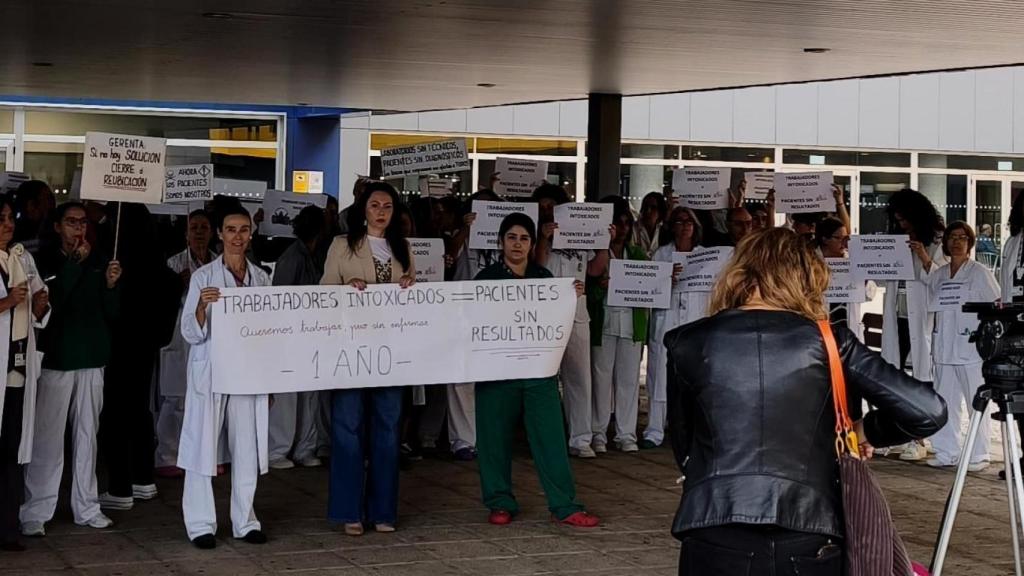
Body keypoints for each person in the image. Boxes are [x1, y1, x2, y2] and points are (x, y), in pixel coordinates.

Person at [664, 227, 948, 576]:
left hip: (713, 524)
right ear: (807, 277)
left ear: (740, 272)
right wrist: (862, 431)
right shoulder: (829, 341)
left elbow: (684, 445)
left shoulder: (686, 342)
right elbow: (928, 412)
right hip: (809, 527)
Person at [474, 212, 599, 528]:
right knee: (493, 440)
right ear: (501, 242)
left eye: (524, 238)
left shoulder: (546, 280)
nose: (517, 244)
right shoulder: (484, 281)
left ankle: (565, 505)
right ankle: (499, 501)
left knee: (550, 439)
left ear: (532, 244)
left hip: (538, 374)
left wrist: (571, 297)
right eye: (512, 237)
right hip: (496, 374)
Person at [21, 202, 121, 536]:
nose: (78, 229)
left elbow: (112, 313)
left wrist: (110, 286)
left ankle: (87, 506)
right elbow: (52, 300)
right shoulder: (42, 259)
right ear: (57, 226)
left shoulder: (101, 257)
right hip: (57, 358)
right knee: (48, 439)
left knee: (87, 437)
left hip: (92, 357)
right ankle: (36, 510)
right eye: (71, 222)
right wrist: (76, 265)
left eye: (82, 222)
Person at [321, 181, 415, 536]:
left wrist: (408, 285)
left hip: (390, 351)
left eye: (387, 206)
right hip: (349, 349)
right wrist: (347, 290)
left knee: (389, 430)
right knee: (347, 429)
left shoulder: (402, 247)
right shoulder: (342, 245)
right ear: (363, 209)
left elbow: (413, 297)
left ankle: (383, 510)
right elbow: (324, 292)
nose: (380, 211)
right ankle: (349, 510)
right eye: (375, 205)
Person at [179, 206, 271, 549]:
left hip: (247, 374)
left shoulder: (261, 278)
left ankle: (245, 521)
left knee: (246, 447)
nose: (237, 236)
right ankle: (201, 523)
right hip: (212, 372)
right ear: (220, 233)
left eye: (243, 229)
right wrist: (202, 308)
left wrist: (269, 381)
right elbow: (189, 331)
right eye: (231, 230)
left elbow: (269, 333)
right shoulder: (204, 277)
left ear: (251, 233)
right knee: (202, 446)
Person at [98, 204, 182, 511]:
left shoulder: (119, 268)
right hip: (147, 349)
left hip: (118, 348)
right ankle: (144, 479)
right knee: (139, 411)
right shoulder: (163, 273)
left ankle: (120, 486)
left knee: (115, 415)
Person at [533, 183, 603, 458]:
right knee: (544, 379)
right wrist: (543, 238)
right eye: (544, 206)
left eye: (553, 205)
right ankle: (546, 439)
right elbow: (536, 265)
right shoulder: (535, 234)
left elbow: (595, 269)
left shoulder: (579, 232)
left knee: (579, 377)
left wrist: (603, 244)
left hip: (576, 312)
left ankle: (580, 439)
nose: (548, 210)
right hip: (545, 314)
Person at [926, 222, 999, 471]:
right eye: (952, 237)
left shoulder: (979, 272)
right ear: (945, 242)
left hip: (970, 348)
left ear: (970, 243)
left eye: (963, 238)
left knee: (975, 401)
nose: (957, 242)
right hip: (944, 348)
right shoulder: (938, 275)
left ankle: (979, 455)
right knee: (945, 401)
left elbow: (995, 305)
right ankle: (947, 452)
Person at [881, 189, 948, 461]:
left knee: (921, 377)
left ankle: (919, 438)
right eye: (897, 221)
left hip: (923, 318)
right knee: (896, 376)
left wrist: (923, 256)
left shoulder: (937, 240)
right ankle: (895, 433)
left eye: (905, 220)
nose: (901, 225)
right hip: (898, 314)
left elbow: (942, 279)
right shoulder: (895, 239)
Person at [0, 196, 49, 552]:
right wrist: (6, 303)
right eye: (0, 219)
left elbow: (35, 308)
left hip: (16, 365)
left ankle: (8, 526)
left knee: (11, 451)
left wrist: (40, 305)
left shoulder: (22, 257)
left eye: (9, 218)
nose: (8, 225)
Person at [155, 210, 216, 479]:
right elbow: (161, 303)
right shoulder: (173, 263)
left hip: (211, 337)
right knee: (175, 398)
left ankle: (205, 454)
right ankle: (168, 454)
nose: (199, 232)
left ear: (212, 232)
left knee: (208, 398)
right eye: (194, 227)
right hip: (179, 336)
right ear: (186, 233)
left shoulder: (219, 263)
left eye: (204, 227)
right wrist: (177, 286)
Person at [587, 196, 649, 453]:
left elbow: (648, 287)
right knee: (600, 380)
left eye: (626, 223)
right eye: (617, 223)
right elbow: (585, 287)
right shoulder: (595, 253)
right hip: (604, 323)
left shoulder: (637, 254)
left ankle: (626, 434)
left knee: (628, 381)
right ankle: (598, 433)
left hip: (630, 325)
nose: (621, 228)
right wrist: (600, 287)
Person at [268, 205, 326, 470]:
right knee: (288, 396)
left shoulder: (315, 257)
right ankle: (279, 449)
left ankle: (305, 447)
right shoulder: (292, 257)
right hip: (291, 332)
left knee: (310, 395)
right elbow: (281, 298)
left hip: (313, 332)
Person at [644, 207, 704, 449]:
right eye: (680, 221)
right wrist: (666, 280)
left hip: (694, 320)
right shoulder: (662, 254)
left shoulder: (705, 255)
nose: (685, 225)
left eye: (689, 221)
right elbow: (649, 288)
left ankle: (689, 431)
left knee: (692, 378)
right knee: (659, 377)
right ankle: (654, 430)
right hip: (666, 318)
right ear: (672, 226)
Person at [12, 180, 56, 255]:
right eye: (47, 198)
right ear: (31, 205)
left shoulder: (52, 229)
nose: (52, 203)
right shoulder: (12, 233)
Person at [633, 192, 667, 258]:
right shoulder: (633, 229)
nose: (648, 211)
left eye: (653, 208)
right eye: (645, 206)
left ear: (660, 211)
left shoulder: (664, 230)